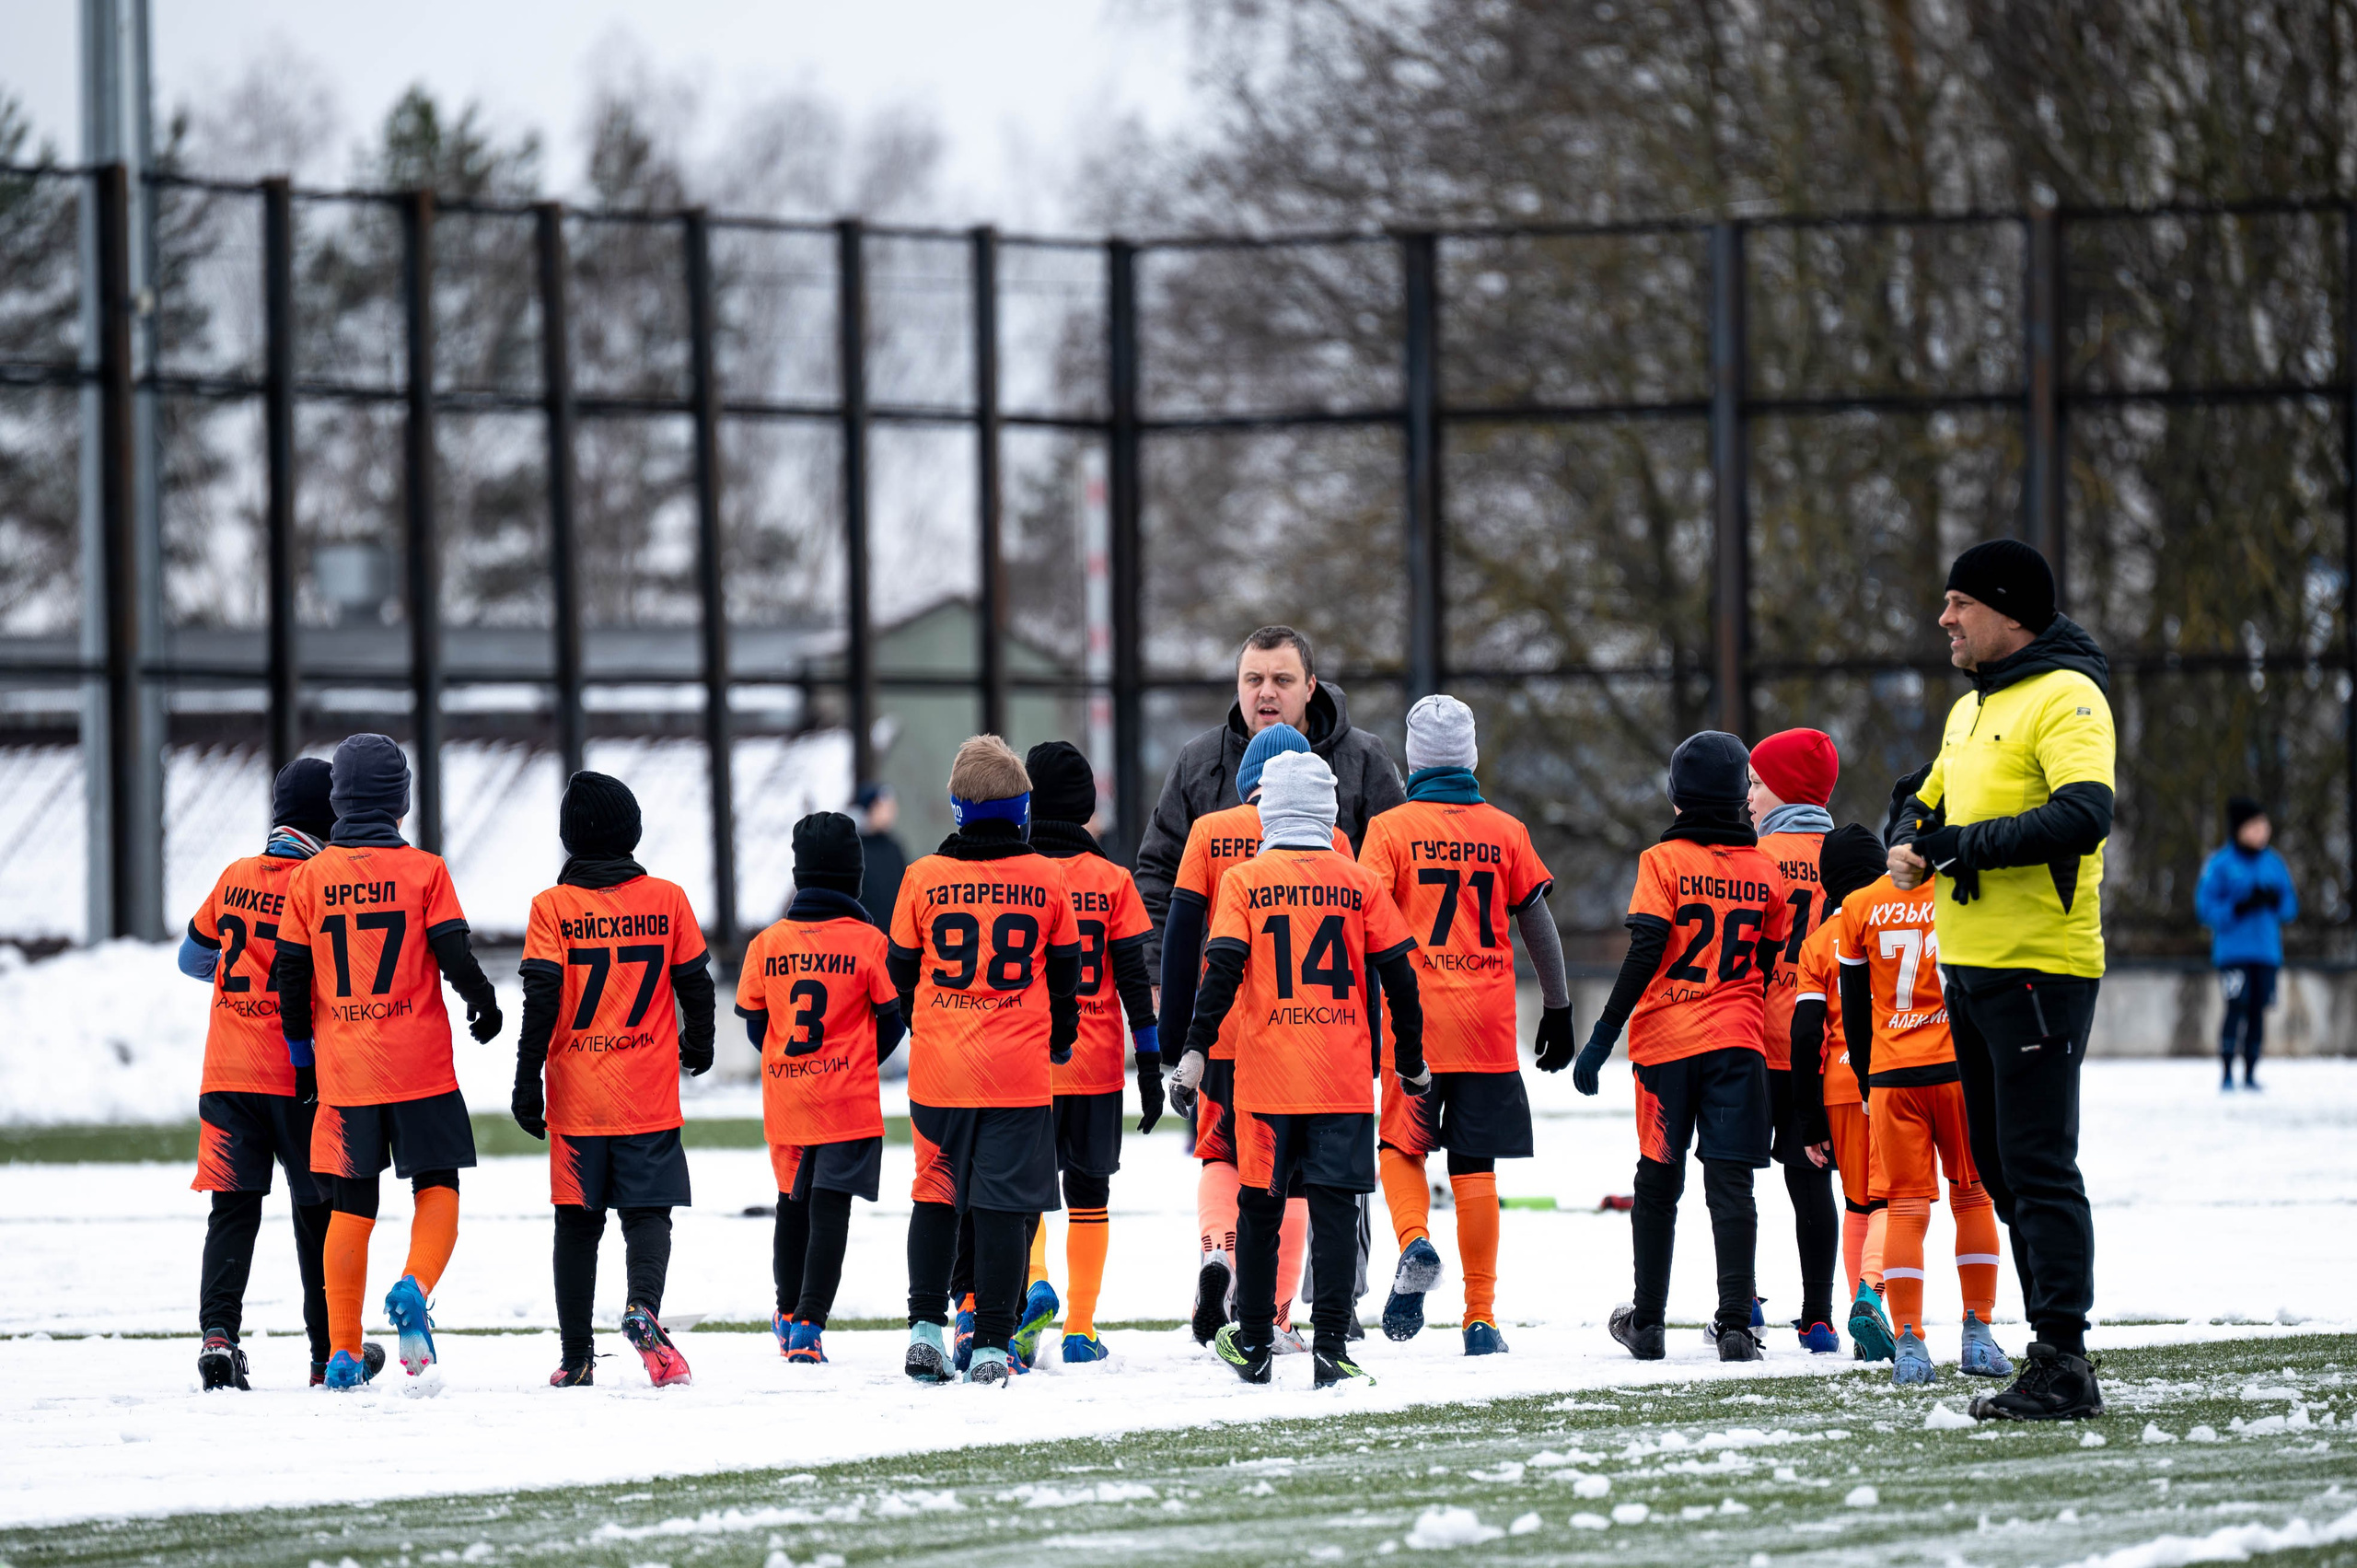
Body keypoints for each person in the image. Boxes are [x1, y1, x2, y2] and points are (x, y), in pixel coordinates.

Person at [1887, 539, 2112, 1422]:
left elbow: (2084, 814)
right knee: (2002, 1171)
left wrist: (1952, 848)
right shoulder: (1972, 708)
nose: (1945, 618)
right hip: (1973, 968)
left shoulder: (2067, 694)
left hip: (2040, 969)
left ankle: (2065, 1357)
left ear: (2009, 610)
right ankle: (2049, 1350)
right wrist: (1911, 831)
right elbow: (1924, 794)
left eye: (1959, 603)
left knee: (2038, 1166)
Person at [1176, 750, 1426, 1388]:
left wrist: (1197, 1046)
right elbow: (1400, 973)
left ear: (1268, 809)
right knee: (1337, 1209)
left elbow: (1222, 968)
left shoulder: (1244, 880)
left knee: (1259, 1207)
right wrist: (1413, 1057)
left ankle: (1255, 1338)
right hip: (1342, 1074)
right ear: (1329, 809)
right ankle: (1332, 1345)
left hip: (1266, 1075)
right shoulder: (1359, 881)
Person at [274, 735, 503, 1388]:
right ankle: (414, 1284)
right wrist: (482, 1004)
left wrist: (302, 1055)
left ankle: (342, 1352)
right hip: (419, 1066)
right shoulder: (425, 870)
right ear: (401, 800)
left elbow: (291, 974)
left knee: (350, 1206)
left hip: (345, 1070)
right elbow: (454, 954)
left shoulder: (311, 877)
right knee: (438, 1186)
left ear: (340, 800)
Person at [1357, 694, 1573, 1354]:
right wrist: (1559, 1007)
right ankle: (1480, 1316)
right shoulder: (1506, 830)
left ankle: (1415, 1239)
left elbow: (1361, 920)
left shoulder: (1390, 831)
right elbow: (1537, 921)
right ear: (1471, 757)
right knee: (1476, 1166)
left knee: (1401, 1147)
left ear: (1413, 760)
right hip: (1486, 1020)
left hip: (1414, 1021)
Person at [1571, 731, 1792, 1363]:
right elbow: (1770, 960)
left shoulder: (1661, 863)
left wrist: (1602, 1037)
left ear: (1678, 800)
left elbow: (1645, 950)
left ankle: (1649, 1322)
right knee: (1732, 1186)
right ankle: (1734, 1325)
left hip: (1666, 1046)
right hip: (1739, 1045)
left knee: (1658, 1180)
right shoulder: (1765, 869)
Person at [889, 736, 1082, 1387]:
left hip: (939, 1071)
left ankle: (924, 1326)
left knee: (936, 1196)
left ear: (957, 809)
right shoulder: (1048, 877)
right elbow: (1065, 979)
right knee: (1001, 1208)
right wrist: (1060, 1040)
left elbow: (898, 974)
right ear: (1024, 810)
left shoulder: (921, 877)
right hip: (1016, 1073)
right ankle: (993, 1343)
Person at [512, 772, 714, 1388]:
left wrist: (527, 1076)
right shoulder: (668, 898)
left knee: (577, 1223)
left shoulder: (551, 907)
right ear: (633, 832)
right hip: (647, 1090)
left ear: (570, 839)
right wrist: (698, 1043)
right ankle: (643, 1307)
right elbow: (697, 983)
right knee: (648, 1213)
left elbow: (541, 997)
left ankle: (576, 1357)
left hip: (577, 1096)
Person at [178, 758, 370, 1389]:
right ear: (331, 818)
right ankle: (327, 1355)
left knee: (232, 1209)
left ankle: (218, 1335)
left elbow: (192, 957)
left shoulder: (235, 874)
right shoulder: (321, 881)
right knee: (317, 1211)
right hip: (297, 1075)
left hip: (227, 1072)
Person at [1160, 721, 1351, 1348]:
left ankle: (1219, 1253)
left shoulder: (1209, 832)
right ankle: (1273, 1312)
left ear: (1248, 783)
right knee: (1290, 1175)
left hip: (1223, 1035)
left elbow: (1183, 939)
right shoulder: (1337, 842)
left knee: (1221, 1153)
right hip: (1308, 1036)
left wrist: (1177, 1037)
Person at [1834, 854, 2012, 1387]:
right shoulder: (1965, 891)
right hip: (1957, 1067)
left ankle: (1910, 1345)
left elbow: (1853, 1003)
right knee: (1973, 1193)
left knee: (1906, 1207)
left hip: (1893, 1075)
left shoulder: (1859, 903)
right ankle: (1977, 1333)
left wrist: (1868, 1080)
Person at [737, 811, 904, 1367]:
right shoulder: (870, 944)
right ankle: (810, 1323)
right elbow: (890, 1019)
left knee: (793, 1204)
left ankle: (786, 1315)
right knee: (832, 1209)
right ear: (855, 878)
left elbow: (756, 1024)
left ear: (799, 876)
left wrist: (789, 1062)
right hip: (847, 1099)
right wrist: (858, 1061)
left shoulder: (766, 944)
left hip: (787, 1097)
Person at [1015, 741, 1163, 1365]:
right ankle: (1079, 1328)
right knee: (1090, 1195)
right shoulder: (1113, 880)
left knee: (1024, 1193)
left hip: (1024, 1064)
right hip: (1097, 1062)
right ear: (1087, 807)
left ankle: (1035, 1282)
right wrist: (1150, 1066)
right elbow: (1134, 979)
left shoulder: (1014, 876)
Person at [1747, 726, 1844, 1353]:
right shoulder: (1850, 858)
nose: (1749, 796)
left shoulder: (1754, 856)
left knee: (1734, 1178)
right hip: (1819, 1052)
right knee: (1811, 1178)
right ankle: (1818, 1313)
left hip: (1755, 1041)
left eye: (1756, 783)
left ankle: (1742, 1301)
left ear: (1782, 788)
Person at [1787, 824, 1891, 1325]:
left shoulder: (1818, 944)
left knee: (1857, 1202)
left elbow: (1806, 1037)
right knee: (1899, 1198)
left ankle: (1861, 1314)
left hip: (1840, 1088)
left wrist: (1806, 1119)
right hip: (1898, 1074)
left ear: (1828, 884)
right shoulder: (1897, 921)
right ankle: (1873, 1293)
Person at [2194, 797, 2298, 1091]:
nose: (2262, 832)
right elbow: (2205, 909)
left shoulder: (2274, 863)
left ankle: (2251, 1072)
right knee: (2235, 1006)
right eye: (2254, 826)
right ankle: (2227, 1071)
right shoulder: (2220, 864)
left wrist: (2275, 901)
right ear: (2239, 829)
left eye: (2264, 826)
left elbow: (2290, 907)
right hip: (2233, 953)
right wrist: (2237, 908)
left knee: (2258, 1010)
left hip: (2266, 953)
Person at [855, 782, 910, 932]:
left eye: (892, 808)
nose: (891, 813)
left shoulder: (894, 848)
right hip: (865, 939)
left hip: (894, 938)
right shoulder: (854, 850)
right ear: (869, 809)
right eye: (884, 807)